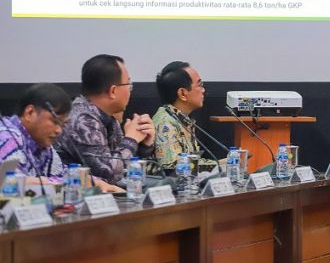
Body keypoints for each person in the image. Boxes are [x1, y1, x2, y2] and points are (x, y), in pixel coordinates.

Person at [54, 54, 155, 185]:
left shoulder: (109, 119)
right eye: (128, 84)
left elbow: (127, 172)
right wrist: (132, 139)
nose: (130, 90)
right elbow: (109, 173)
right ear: (113, 91)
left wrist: (143, 146)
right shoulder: (82, 119)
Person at [152, 61, 216, 173]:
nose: (203, 90)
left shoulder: (182, 119)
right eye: (199, 85)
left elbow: (191, 162)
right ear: (182, 93)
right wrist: (219, 165)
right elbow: (172, 168)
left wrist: (225, 163)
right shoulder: (166, 123)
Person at [0, 83, 70, 181]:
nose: (59, 131)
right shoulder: (7, 137)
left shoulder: (43, 144)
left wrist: (89, 180)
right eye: (55, 122)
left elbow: (62, 175)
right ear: (30, 113)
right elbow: (9, 183)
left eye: (62, 124)